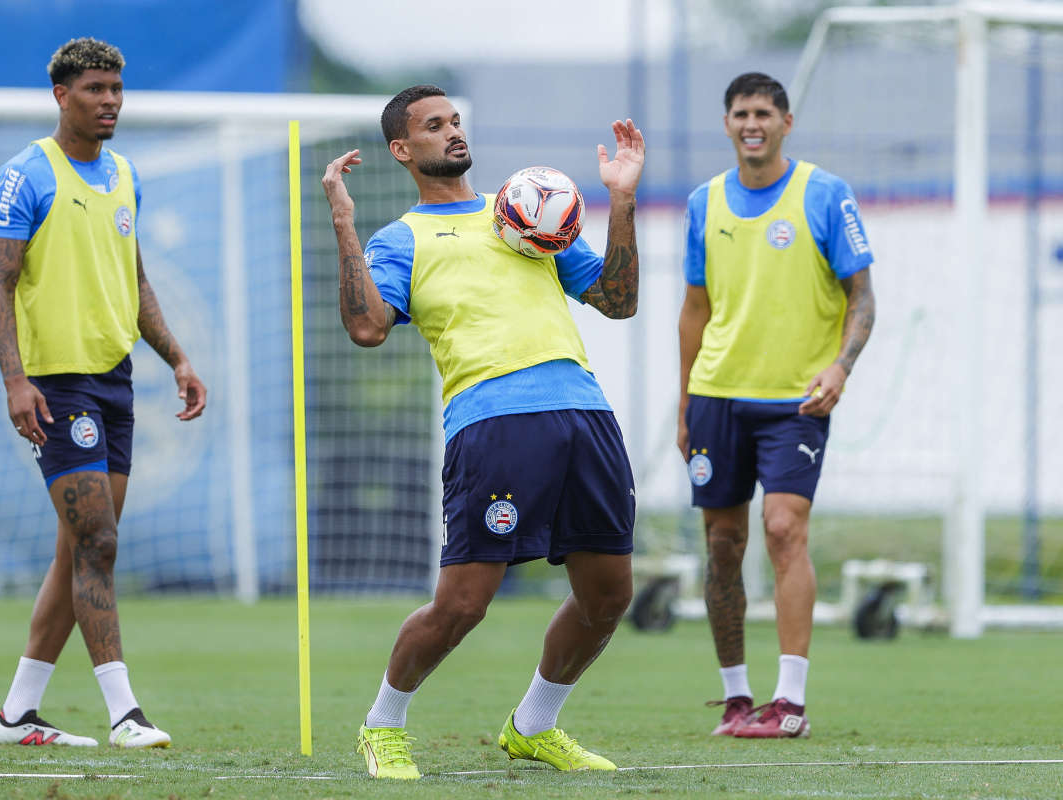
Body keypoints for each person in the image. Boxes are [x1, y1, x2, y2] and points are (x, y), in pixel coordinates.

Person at [321, 85, 644, 779]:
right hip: (491, 424)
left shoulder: (525, 208)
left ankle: (533, 725)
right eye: (434, 126)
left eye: (456, 121)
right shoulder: (399, 237)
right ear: (403, 151)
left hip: (583, 414)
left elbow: (617, 302)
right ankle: (383, 725)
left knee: (609, 594)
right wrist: (345, 224)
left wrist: (620, 199)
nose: (453, 133)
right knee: (464, 603)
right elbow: (368, 327)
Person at [0, 37, 206, 749]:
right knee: (99, 542)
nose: (109, 101)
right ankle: (125, 713)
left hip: (114, 384)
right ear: (61, 96)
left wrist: (176, 357)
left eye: (115, 89)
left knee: (77, 550)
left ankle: (16, 715)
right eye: (94, 90)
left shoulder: (125, 175)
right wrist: (15, 381)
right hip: (55, 385)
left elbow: (135, 282)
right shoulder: (27, 175)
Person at [677, 72, 876, 739]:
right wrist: (683, 406)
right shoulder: (703, 202)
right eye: (740, 113)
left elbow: (864, 297)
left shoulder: (824, 193)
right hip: (716, 397)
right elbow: (695, 311)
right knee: (722, 545)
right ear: (728, 123)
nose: (751, 123)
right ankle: (737, 698)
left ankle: (789, 704)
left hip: (796, 402)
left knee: (785, 528)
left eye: (764, 112)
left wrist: (841, 365)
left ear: (786, 122)